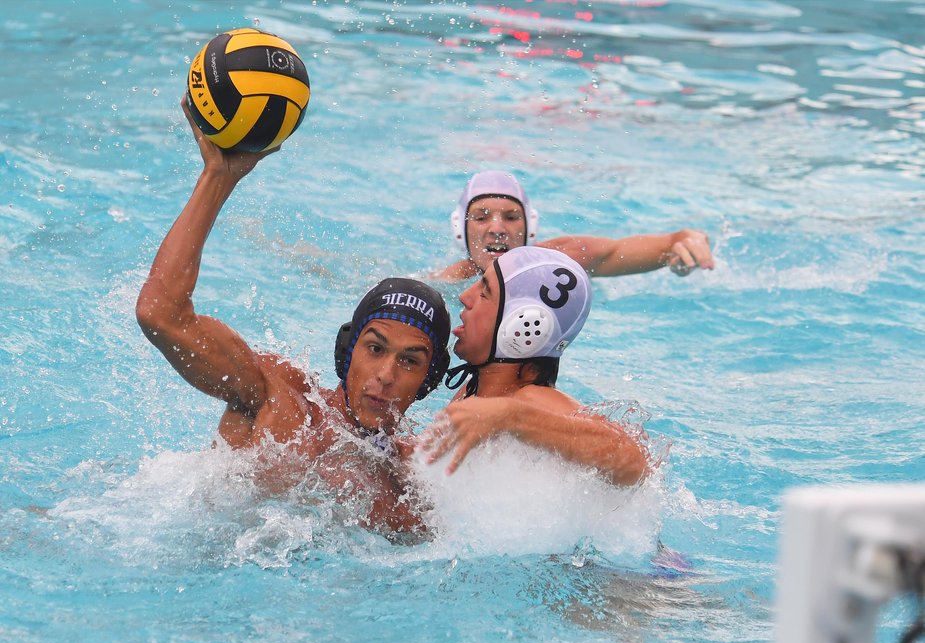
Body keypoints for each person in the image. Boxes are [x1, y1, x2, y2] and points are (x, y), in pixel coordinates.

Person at [135, 100, 451, 536]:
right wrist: (217, 179)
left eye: (410, 361)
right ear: (347, 351)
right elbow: (161, 315)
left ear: (429, 380)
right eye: (375, 348)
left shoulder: (411, 487)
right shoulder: (282, 400)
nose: (385, 375)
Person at [421, 246, 649, 486]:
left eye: (485, 292)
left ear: (524, 325)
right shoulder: (475, 390)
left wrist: (512, 416)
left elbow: (634, 464)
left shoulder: (532, 401)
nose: (465, 296)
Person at [433, 170, 715, 281]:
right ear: (461, 230)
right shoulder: (447, 285)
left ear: (530, 227)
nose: (497, 228)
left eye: (511, 217)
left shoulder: (561, 261)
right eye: (481, 217)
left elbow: (669, 242)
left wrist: (687, 243)